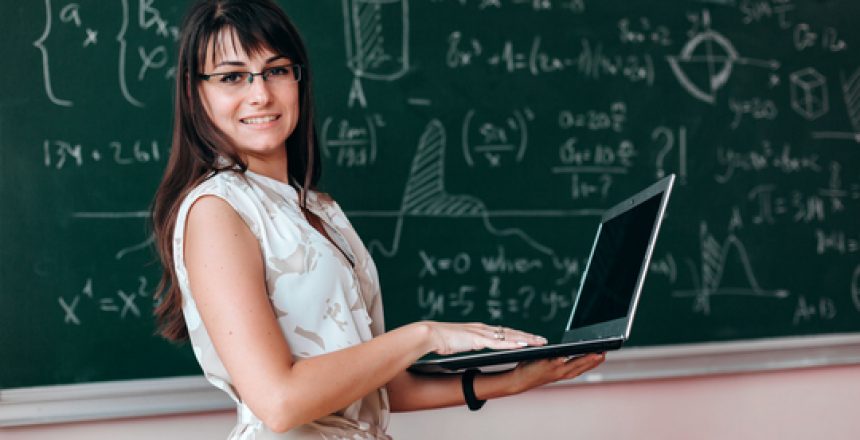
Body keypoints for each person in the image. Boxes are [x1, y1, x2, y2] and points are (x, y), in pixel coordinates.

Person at [150, 1, 605, 438]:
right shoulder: (218, 210)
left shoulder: (316, 208)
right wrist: (426, 335)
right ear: (196, 93)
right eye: (233, 77)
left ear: (298, 79)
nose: (260, 94)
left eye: (276, 70)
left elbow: (372, 384)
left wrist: (511, 380)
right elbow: (279, 402)